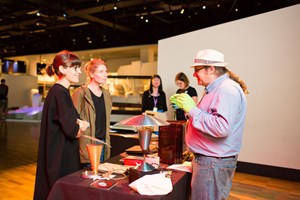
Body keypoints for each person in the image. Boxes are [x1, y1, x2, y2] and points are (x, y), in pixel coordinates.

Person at [170, 49, 249, 200]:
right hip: (209, 161)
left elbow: (221, 127)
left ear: (211, 69)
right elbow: (207, 118)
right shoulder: (214, 89)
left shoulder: (226, 89)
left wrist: (192, 109)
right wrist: (188, 110)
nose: (193, 75)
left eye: (196, 70)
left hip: (212, 163)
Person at [34, 50, 90, 200]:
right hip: (61, 157)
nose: (79, 72)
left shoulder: (59, 91)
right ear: (62, 69)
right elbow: (73, 130)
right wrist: (83, 125)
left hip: (58, 153)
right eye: (75, 68)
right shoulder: (60, 93)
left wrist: (78, 123)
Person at [72, 58, 112, 166]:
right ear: (91, 74)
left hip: (104, 142)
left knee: (102, 178)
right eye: (101, 71)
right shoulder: (80, 93)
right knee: (89, 180)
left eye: (106, 71)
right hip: (88, 145)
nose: (105, 75)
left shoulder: (107, 95)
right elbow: (73, 120)